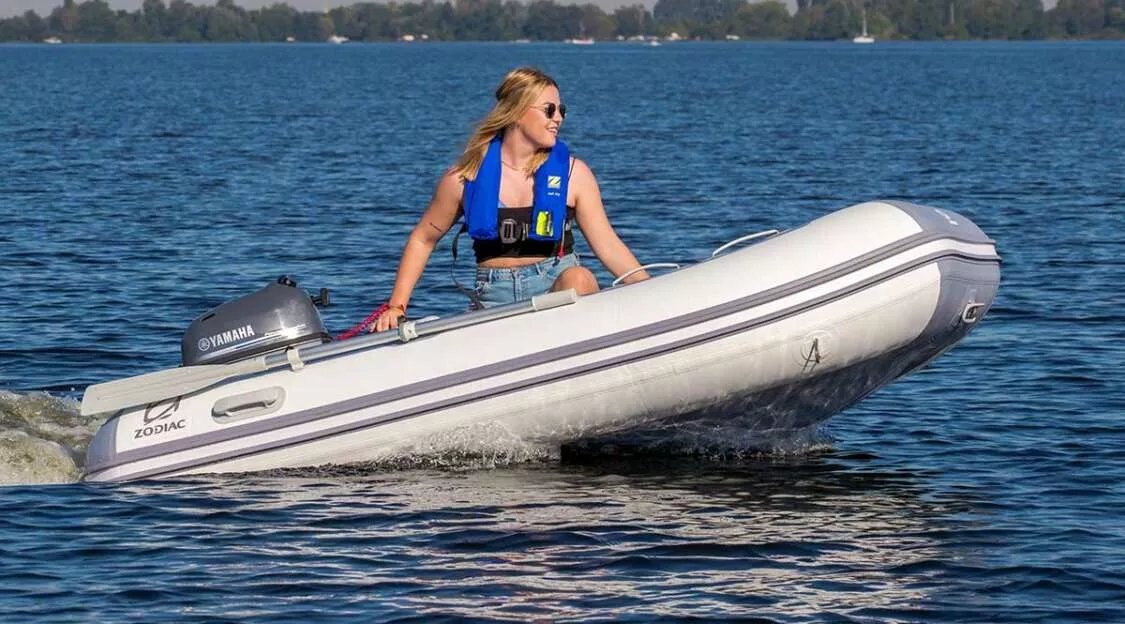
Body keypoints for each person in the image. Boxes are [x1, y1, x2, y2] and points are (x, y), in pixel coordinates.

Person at [372, 66, 649, 333]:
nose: (558, 118)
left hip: (556, 283)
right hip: (494, 296)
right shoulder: (463, 178)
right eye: (549, 110)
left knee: (580, 277)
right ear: (516, 112)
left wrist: (651, 290)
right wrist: (397, 306)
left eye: (561, 110)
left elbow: (607, 244)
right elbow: (423, 239)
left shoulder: (574, 174)